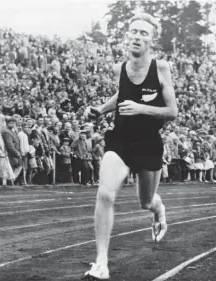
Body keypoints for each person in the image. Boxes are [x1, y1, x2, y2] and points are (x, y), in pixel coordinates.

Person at [84, 13, 178, 280]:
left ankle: (158, 209)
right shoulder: (119, 68)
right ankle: (101, 263)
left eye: (144, 33)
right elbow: (122, 93)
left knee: (145, 201)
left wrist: (141, 108)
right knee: (105, 194)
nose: (137, 36)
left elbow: (172, 111)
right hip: (121, 138)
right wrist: (101, 109)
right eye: (134, 31)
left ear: (152, 41)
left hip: (149, 142)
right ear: (127, 36)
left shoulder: (161, 68)